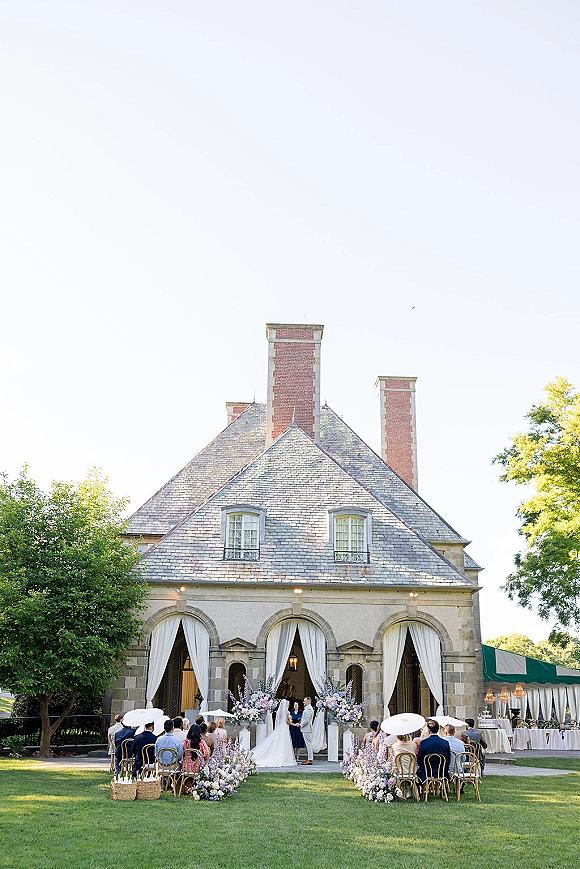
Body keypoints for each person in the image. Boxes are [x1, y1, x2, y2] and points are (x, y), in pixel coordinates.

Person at [250, 699, 297, 768]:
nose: (289, 705)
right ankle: (283, 757)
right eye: (288, 704)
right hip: (284, 727)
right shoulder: (285, 712)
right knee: (283, 742)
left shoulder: (280, 711)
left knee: (280, 742)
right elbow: (287, 721)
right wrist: (294, 724)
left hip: (281, 727)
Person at [299, 696, 314, 765]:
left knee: (308, 744)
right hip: (306, 729)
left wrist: (300, 725)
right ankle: (309, 758)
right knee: (308, 744)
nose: (303, 702)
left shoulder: (309, 709)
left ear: (308, 702)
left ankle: (310, 759)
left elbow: (307, 720)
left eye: (304, 701)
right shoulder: (307, 709)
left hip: (307, 729)